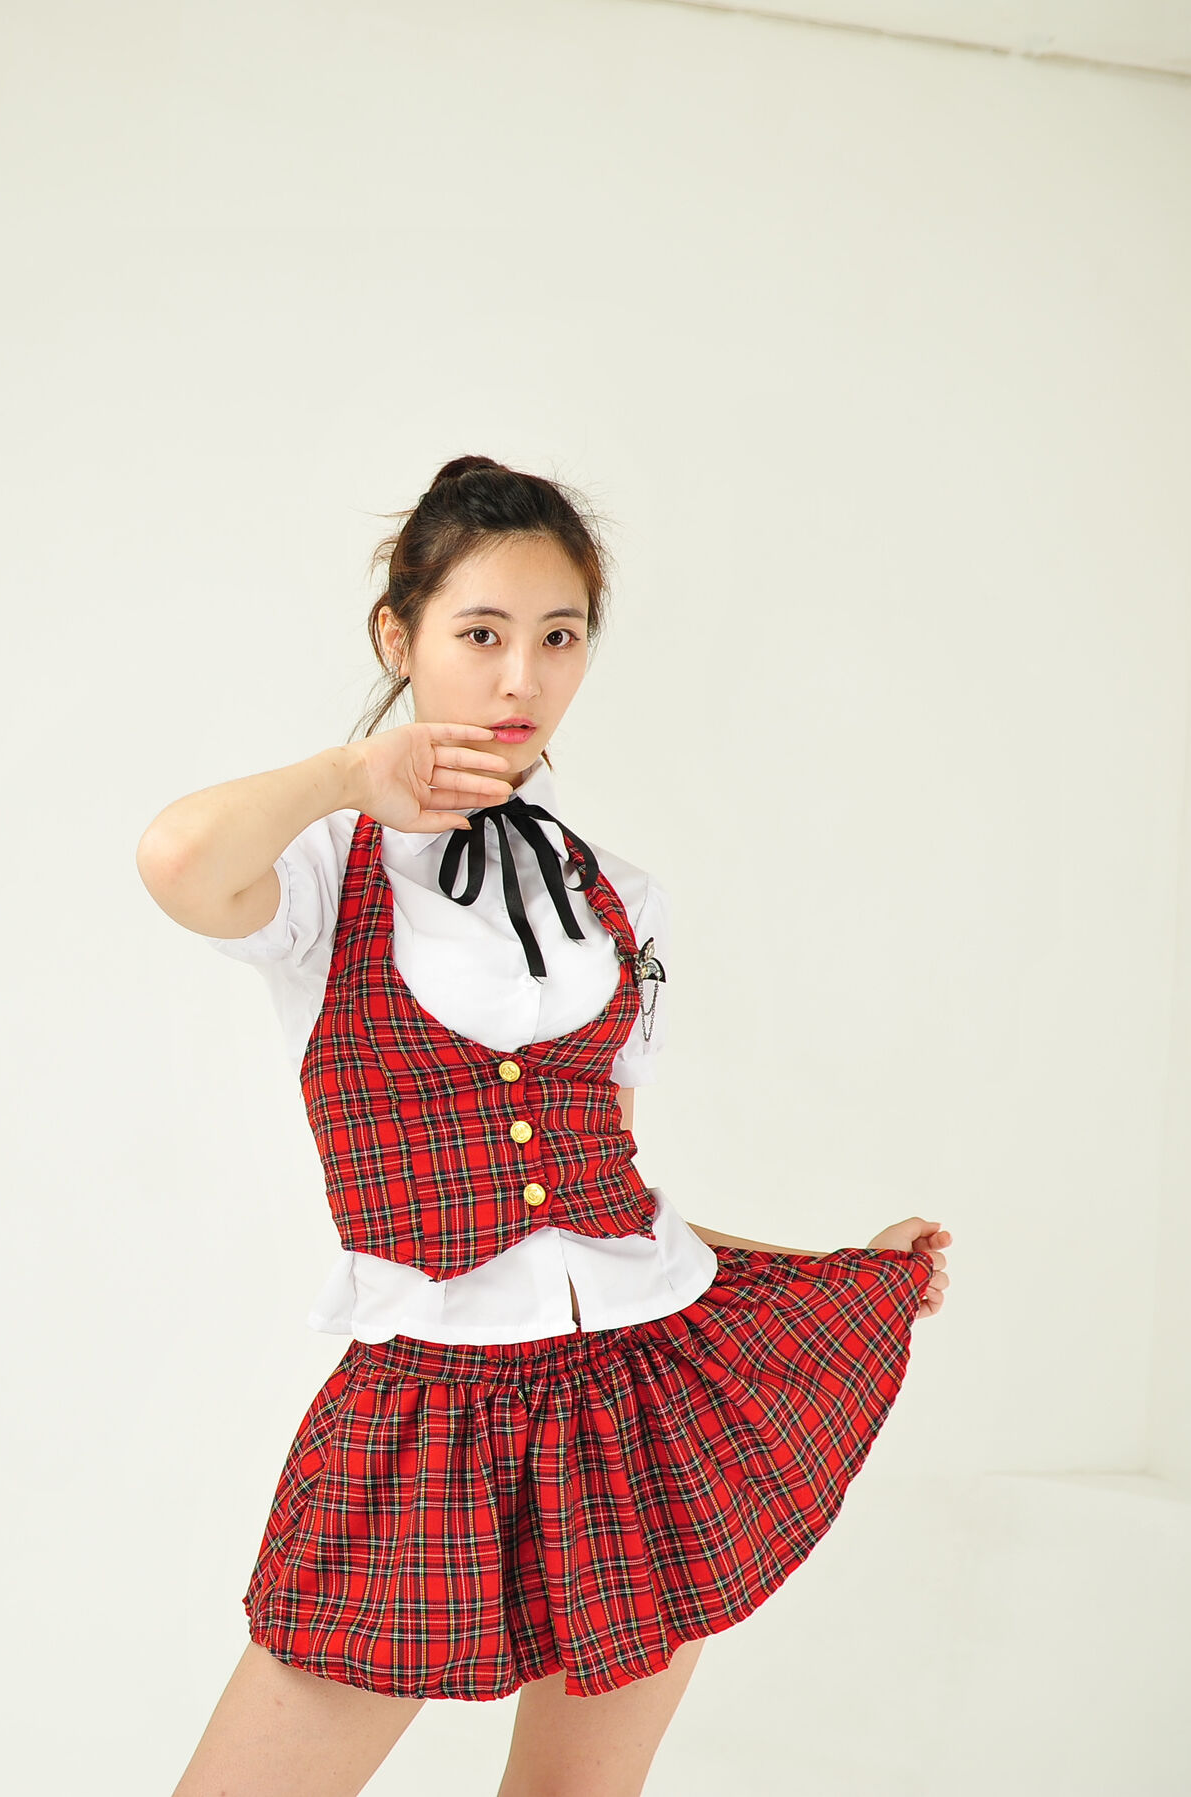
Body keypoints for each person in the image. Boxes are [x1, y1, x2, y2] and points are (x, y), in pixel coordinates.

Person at [132, 455, 954, 1797]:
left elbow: (601, 1191)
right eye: (481, 633)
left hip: (640, 1401)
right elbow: (175, 860)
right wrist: (350, 773)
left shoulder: (615, 895)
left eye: (559, 637)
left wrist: (831, 1275)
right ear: (398, 638)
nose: (521, 678)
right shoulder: (323, 875)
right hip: (430, 1408)